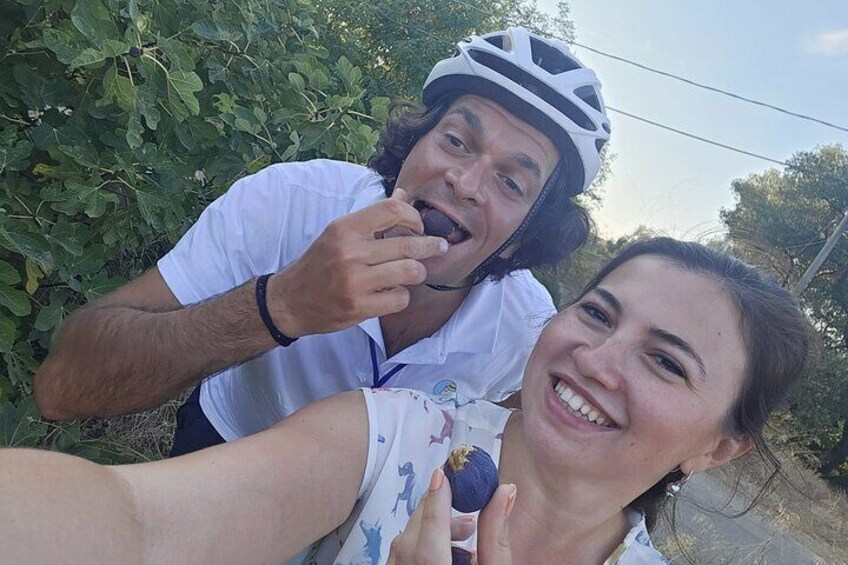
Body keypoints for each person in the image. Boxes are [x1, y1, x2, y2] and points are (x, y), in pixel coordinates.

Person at [2, 238, 811, 564]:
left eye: (665, 362)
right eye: (597, 312)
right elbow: (139, 523)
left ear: (717, 448)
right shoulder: (399, 437)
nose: (596, 358)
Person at [33, 27, 611, 455]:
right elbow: (62, 388)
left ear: (520, 239)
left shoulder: (527, 328)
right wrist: (279, 304)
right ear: (413, 145)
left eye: (511, 180)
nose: (464, 181)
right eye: (457, 140)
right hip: (220, 447)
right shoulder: (287, 202)